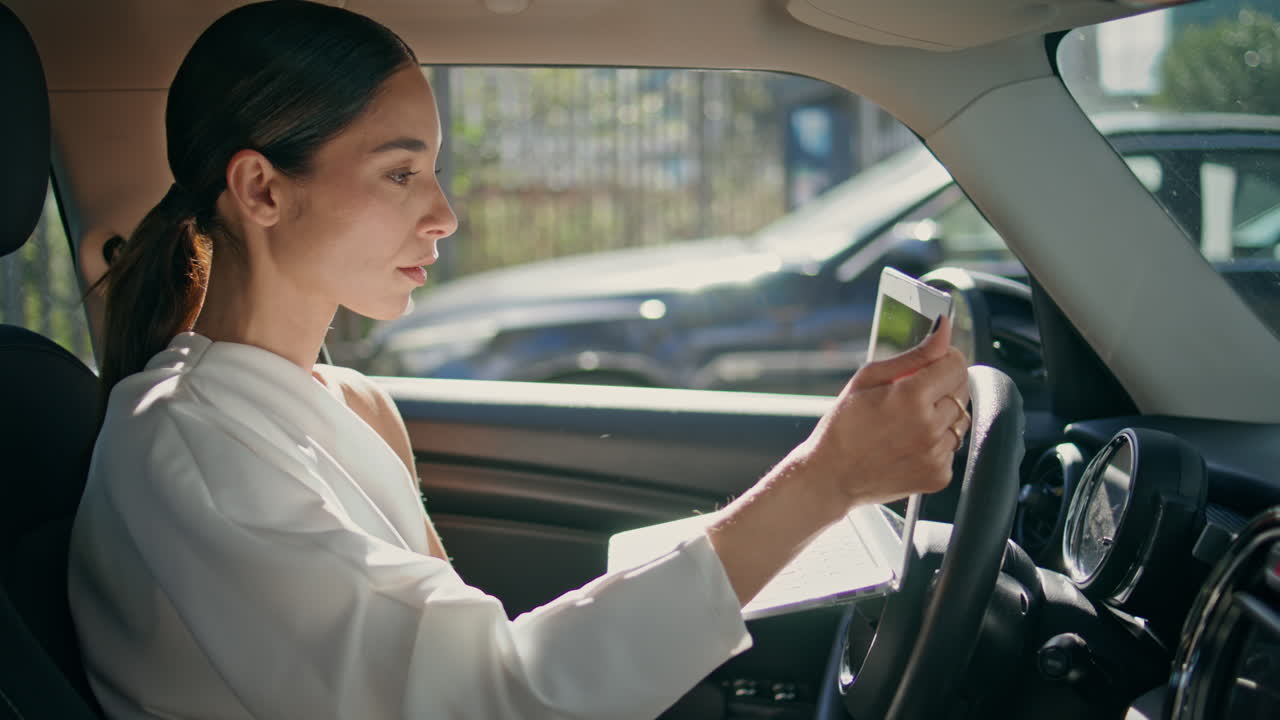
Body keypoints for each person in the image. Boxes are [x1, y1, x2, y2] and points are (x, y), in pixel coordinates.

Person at [68, 2, 972, 718]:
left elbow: (458, 661)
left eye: (434, 170)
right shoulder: (186, 447)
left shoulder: (345, 403)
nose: (444, 215)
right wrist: (825, 480)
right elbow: (492, 698)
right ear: (262, 188)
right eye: (399, 172)